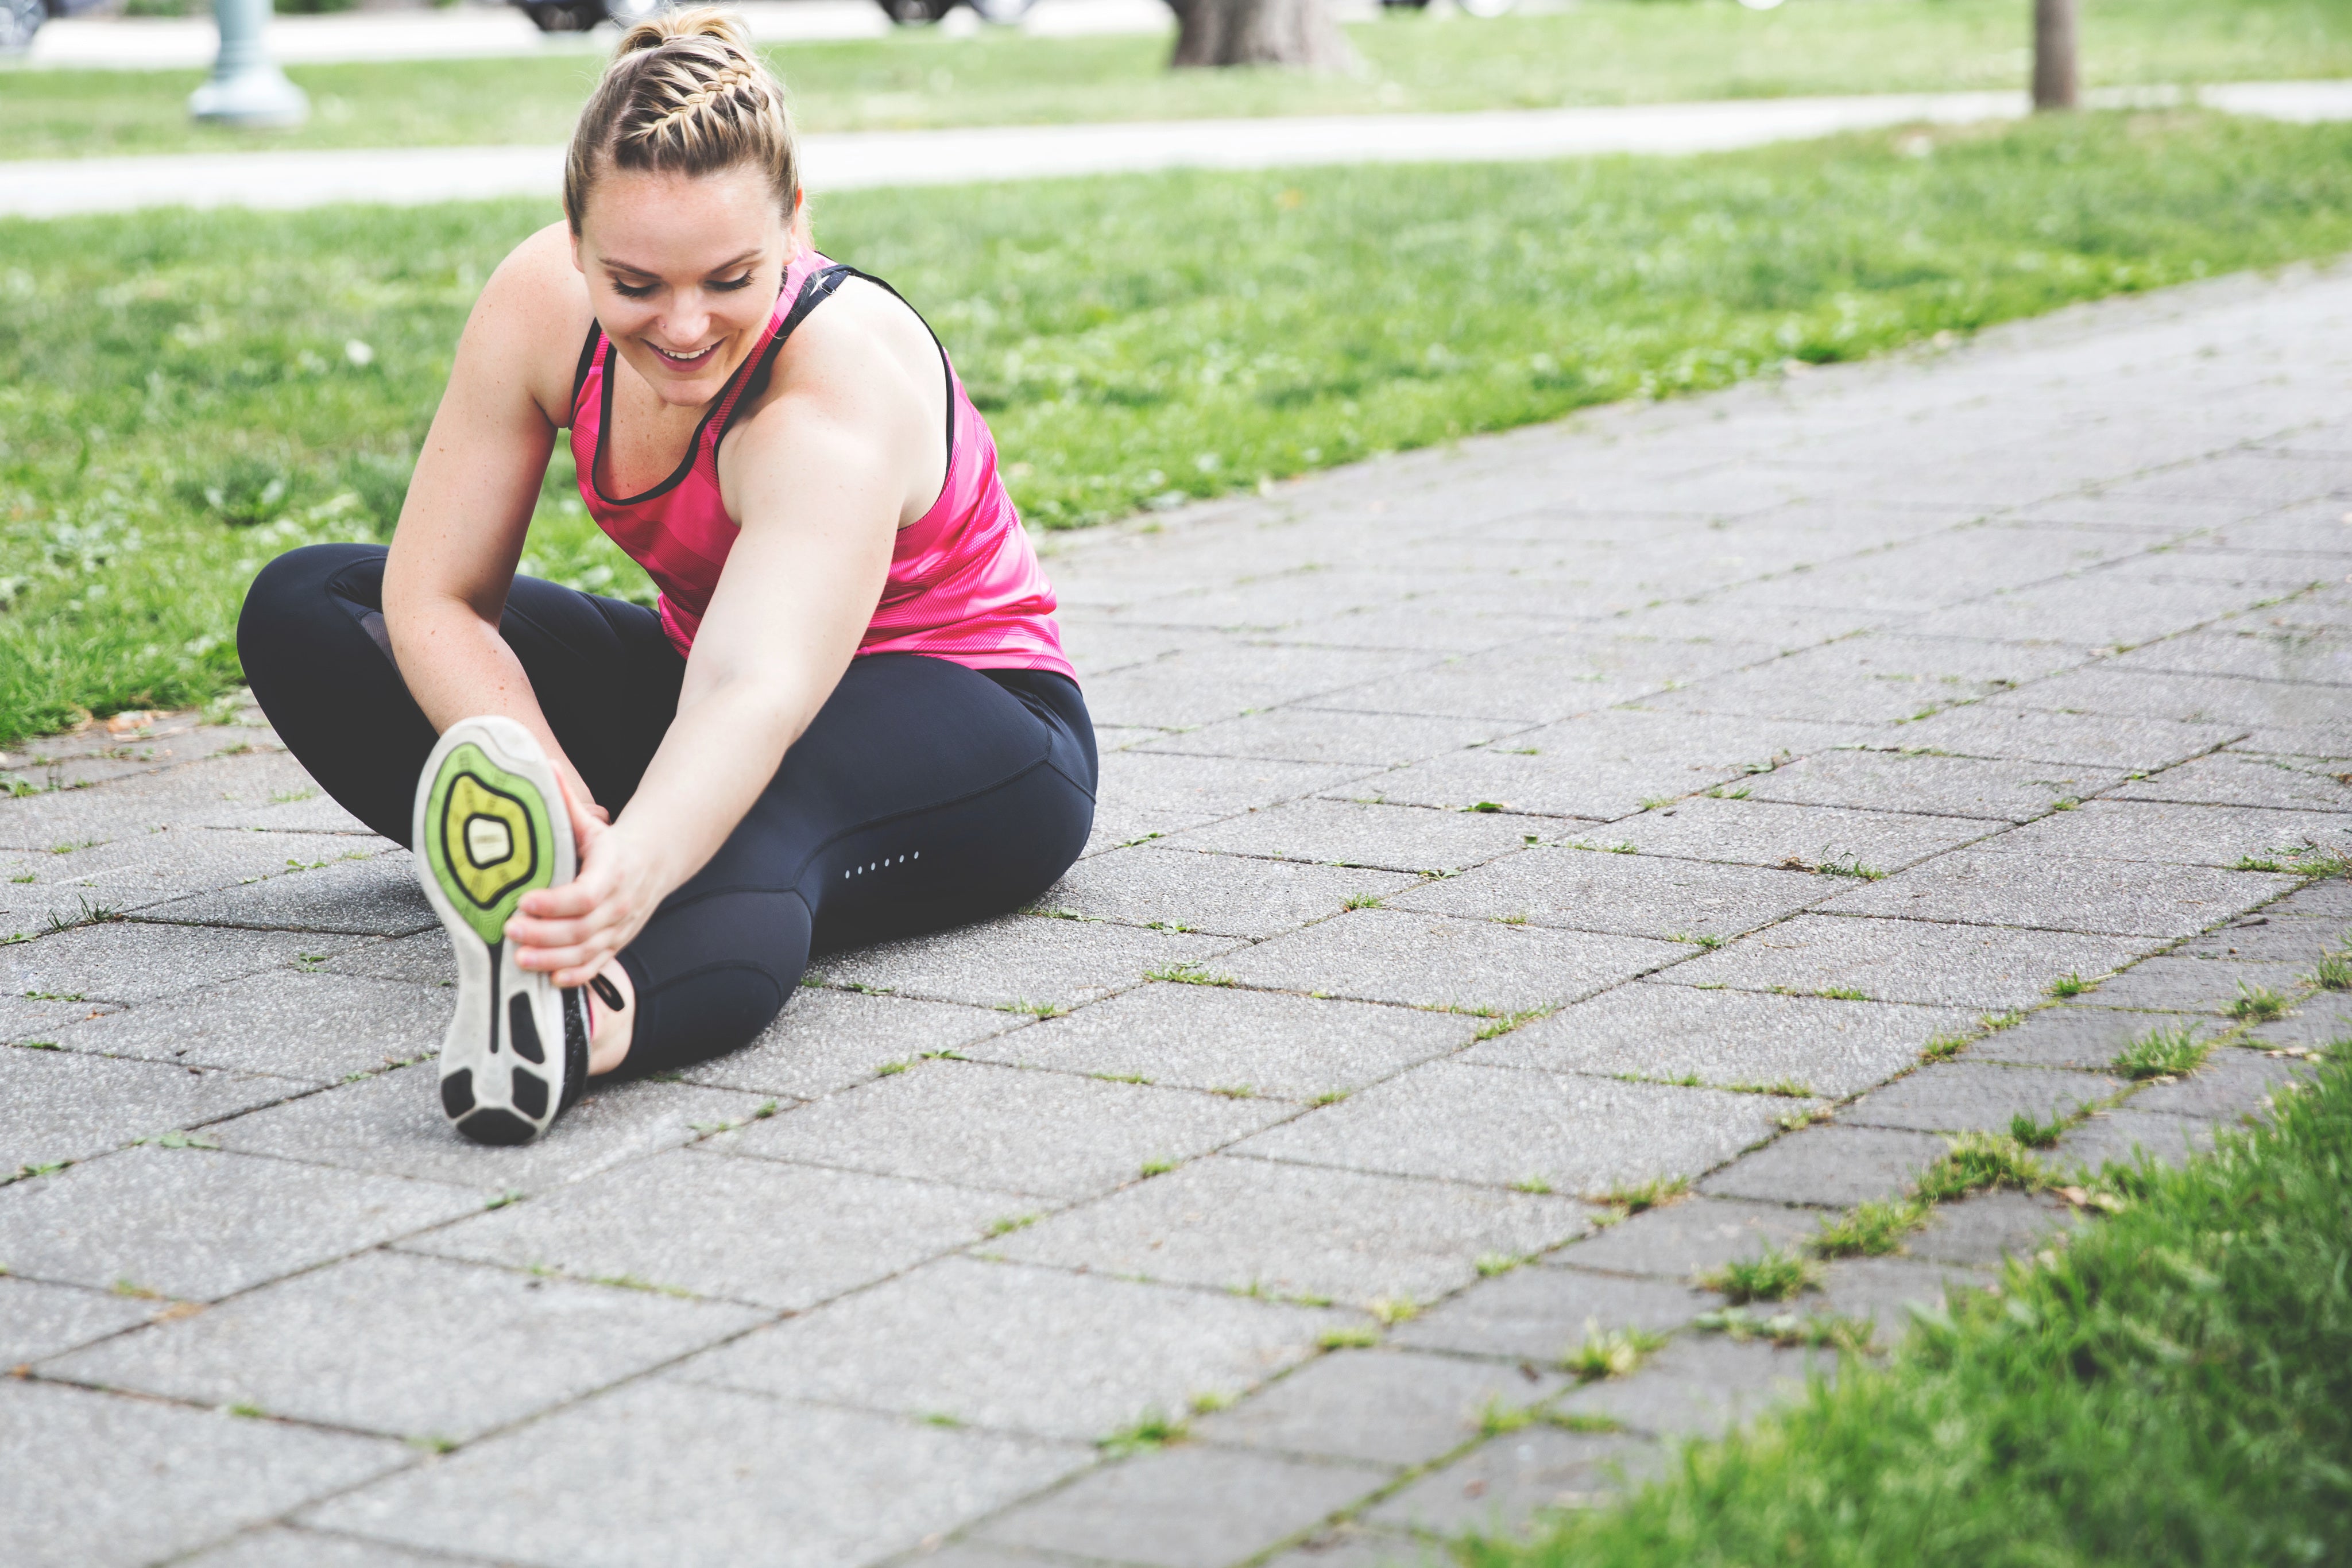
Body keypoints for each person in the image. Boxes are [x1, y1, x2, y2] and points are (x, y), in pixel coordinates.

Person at [236, 9, 1094, 1144]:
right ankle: (558, 873)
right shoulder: (541, 301)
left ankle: (569, 1011)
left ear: (795, 222)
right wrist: (539, 777)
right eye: (634, 283)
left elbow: (755, 693)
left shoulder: (828, 392)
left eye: (728, 278)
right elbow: (435, 597)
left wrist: (634, 862)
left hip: (970, 717)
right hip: (708, 676)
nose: (683, 325)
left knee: (757, 806)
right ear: (577, 241)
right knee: (314, 606)